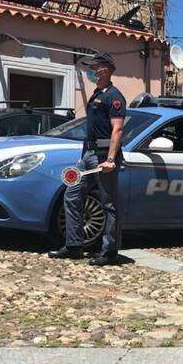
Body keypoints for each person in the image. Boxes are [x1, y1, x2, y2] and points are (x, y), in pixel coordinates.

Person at [49, 53, 128, 266]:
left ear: (106, 69)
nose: (91, 71)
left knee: (109, 204)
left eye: (94, 67)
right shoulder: (96, 94)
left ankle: (110, 252)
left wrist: (111, 159)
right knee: (72, 194)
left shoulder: (114, 97)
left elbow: (117, 130)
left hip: (103, 156)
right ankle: (74, 246)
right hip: (89, 155)